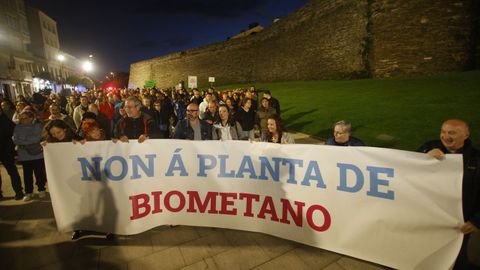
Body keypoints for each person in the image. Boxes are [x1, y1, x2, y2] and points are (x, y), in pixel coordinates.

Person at [418, 119, 480, 270]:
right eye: (443, 132)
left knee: (456, 257)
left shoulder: (476, 159)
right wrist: (424, 157)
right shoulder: (429, 147)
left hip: (460, 222)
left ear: (466, 135)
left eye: (452, 132)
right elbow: (408, 165)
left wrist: (476, 221)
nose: (446, 136)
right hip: (430, 215)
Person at [12, 111, 47, 201]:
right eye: (21, 118)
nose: (23, 120)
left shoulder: (37, 126)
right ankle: (29, 192)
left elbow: (37, 138)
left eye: (25, 118)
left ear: (31, 118)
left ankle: (41, 189)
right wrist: (29, 140)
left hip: (37, 154)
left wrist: (23, 141)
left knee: (39, 173)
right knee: (27, 174)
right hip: (24, 155)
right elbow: (16, 140)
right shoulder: (17, 127)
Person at [0, 108, 23, 200]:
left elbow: (13, 131)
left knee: (12, 171)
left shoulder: (5, 120)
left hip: (6, 150)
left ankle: (18, 191)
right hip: (6, 149)